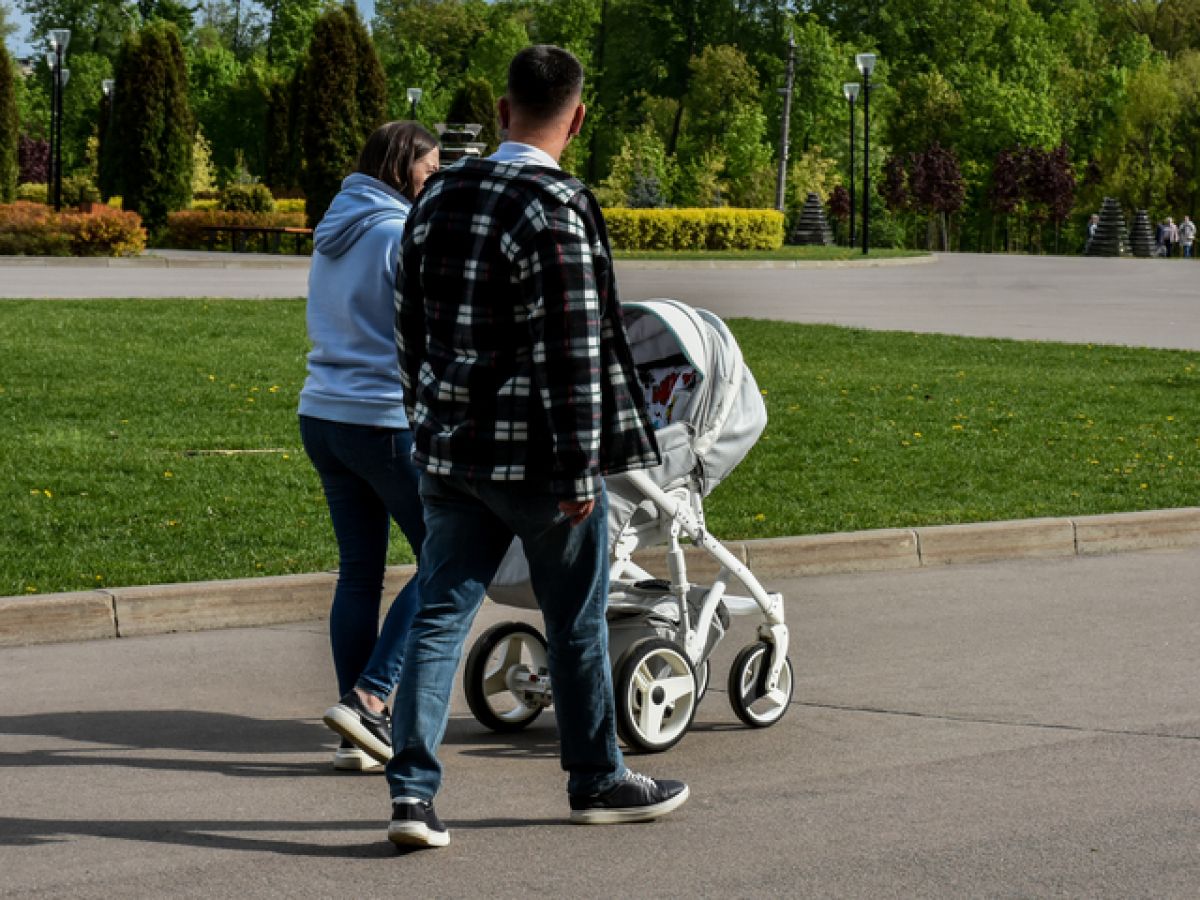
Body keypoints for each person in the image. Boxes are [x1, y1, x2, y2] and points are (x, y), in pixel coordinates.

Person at [387, 44, 689, 849]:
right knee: (577, 620)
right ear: (578, 118)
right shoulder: (554, 207)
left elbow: (408, 320)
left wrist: (427, 414)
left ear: (502, 111)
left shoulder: (440, 192)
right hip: (537, 461)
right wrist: (578, 465)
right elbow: (574, 351)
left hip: (451, 455)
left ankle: (412, 798)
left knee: (438, 619)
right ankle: (596, 778)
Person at [298, 121, 440, 772]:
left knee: (360, 572)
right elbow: (424, 334)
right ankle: (370, 700)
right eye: (430, 171)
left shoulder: (336, 232)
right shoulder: (397, 233)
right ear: (401, 165)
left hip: (322, 415)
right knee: (445, 557)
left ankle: (354, 730)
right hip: (382, 421)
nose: (434, 181)